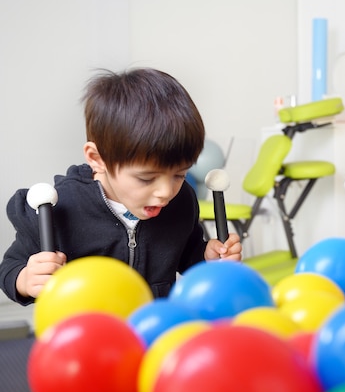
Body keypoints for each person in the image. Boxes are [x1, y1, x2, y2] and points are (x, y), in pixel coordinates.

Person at [1, 68, 242, 305]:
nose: (166, 192)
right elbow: (10, 267)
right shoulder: (61, 209)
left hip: (155, 328)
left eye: (179, 174)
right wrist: (25, 280)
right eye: (146, 179)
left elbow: (186, 254)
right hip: (89, 333)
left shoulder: (181, 202)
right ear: (97, 159)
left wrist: (206, 258)